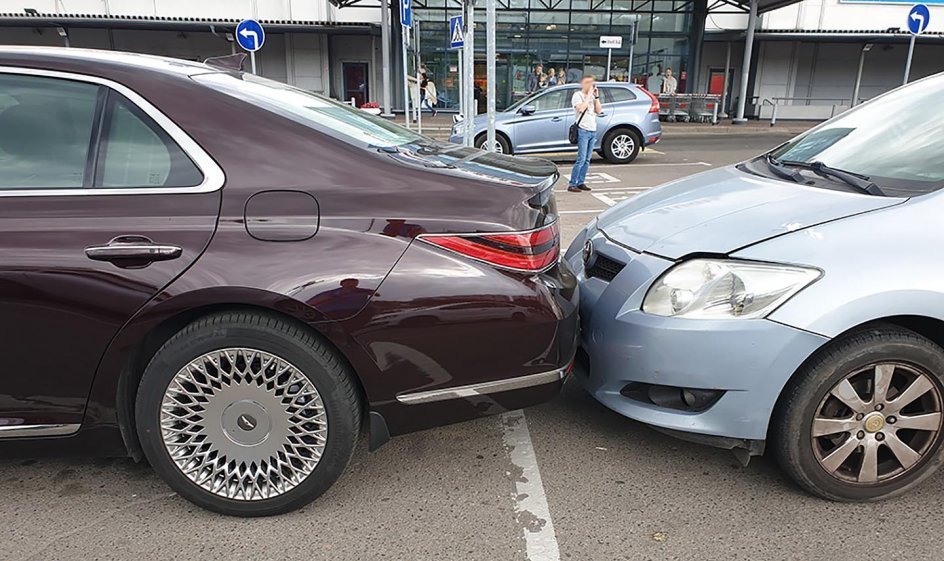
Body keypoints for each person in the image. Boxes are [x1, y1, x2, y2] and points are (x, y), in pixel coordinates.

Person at [567, 75, 602, 193]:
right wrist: (588, 96)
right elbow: (581, 109)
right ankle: (572, 183)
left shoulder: (592, 96)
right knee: (581, 159)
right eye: (588, 83)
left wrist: (596, 96)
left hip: (593, 130)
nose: (591, 85)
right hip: (583, 130)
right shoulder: (578, 95)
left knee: (587, 159)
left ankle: (581, 182)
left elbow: (598, 110)